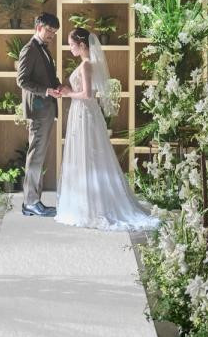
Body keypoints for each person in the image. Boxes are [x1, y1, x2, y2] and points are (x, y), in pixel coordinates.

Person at [54, 28, 159, 231]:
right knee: (87, 154)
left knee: (88, 155)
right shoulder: (87, 64)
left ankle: (91, 206)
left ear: (82, 45)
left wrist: (67, 93)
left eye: (72, 44)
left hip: (84, 112)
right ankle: (85, 202)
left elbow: (87, 94)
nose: (70, 48)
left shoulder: (86, 65)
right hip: (83, 113)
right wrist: (67, 92)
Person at [16, 13, 64, 217]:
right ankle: (30, 202)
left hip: (46, 110)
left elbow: (47, 77)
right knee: (35, 156)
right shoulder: (29, 49)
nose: (52, 35)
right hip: (38, 111)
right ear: (38, 28)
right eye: (49, 30)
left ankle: (34, 201)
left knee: (38, 156)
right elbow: (22, 80)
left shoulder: (43, 49)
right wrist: (46, 91)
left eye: (54, 32)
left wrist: (57, 86)